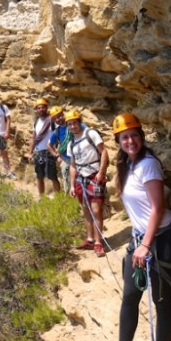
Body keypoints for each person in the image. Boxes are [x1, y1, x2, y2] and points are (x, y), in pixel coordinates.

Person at [102, 113, 171, 341]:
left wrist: (146, 245)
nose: (130, 140)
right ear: (118, 141)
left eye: (134, 135)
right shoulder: (127, 165)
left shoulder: (148, 165)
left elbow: (158, 208)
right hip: (141, 240)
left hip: (162, 241)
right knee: (129, 297)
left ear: (142, 136)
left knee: (161, 300)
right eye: (124, 137)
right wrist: (140, 243)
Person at [65, 109, 109, 256]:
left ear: (79, 122)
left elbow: (103, 151)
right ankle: (90, 239)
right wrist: (72, 185)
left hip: (94, 175)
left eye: (74, 123)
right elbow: (72, 164)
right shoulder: (71, 143)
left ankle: (98, 242)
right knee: (86, 209)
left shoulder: (90, 133)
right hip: (81, 178)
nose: (72, 126)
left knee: (96, 209)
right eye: (69, 124)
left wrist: (102, 172)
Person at [29, 98, 60, 198]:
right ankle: (41, 197)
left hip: (49, 152)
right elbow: (34, 137)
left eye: (43, 107)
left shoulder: (52, 120)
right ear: (36, 110)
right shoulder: (36, 122)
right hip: (38, 152)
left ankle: (59, 198)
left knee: (53, 177)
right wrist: (30, 152)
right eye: (39, 108)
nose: (41, 109)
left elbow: (59, 134)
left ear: (46, 108)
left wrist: (59, 150)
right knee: (39, 177)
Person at [46, 106, 71, 192]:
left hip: (80, 160)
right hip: (67, 161)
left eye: (59, 116)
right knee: (68, 186)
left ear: (63, 114)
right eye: (55, 118)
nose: (58, 119)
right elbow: (49, 145)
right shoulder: (56, 131)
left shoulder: (73, 124)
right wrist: (56, 155)